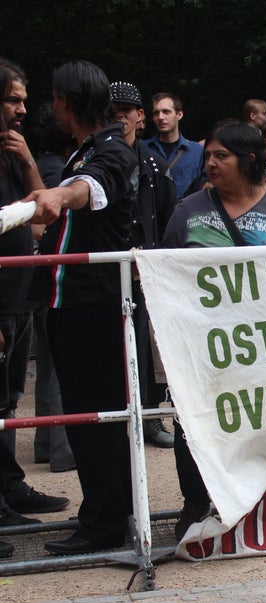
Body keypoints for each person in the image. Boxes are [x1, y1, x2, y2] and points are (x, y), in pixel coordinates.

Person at [161, 122, 266, 538]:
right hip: (203, 347)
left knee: (265, 423)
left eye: (220, 156)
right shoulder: (187, 211)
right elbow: (166, 274)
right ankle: (195, 505)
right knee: (193, 424)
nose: (210, 163)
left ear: (248, 160)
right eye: (208, 155)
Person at [26, 60, 137, 556]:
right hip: (72, 304)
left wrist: (57, 195)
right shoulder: (87, 150)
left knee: (96, 417)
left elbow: (90, 188)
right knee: (84, 415)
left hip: (93, 307)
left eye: (52, 98)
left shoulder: (112, 151)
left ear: (66, 102)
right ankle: (104, 512)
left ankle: (106, 524)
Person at [0, 57, 70, 558]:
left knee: (6, 402)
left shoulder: (9, 149)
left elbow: (39, 207)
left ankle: (10, 490)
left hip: (19, 296)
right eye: (14, 99)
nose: (23, 109)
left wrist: (25, 157)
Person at [109, 81, 177, 449]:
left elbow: (169, 217)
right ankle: (112, 422)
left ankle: (151, 415)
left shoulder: (154, 163)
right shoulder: (92, 159)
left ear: (139, 116)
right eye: (112, 110)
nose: (120, 116)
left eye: (126, 109)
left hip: (146, 273)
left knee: (149, 347)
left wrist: (156, 260)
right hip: (106, 274)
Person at [28, 101, 75, 472]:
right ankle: (63, 450)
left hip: (34, 284)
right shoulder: (61, 174)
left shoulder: (35, 168)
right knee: (61, 366)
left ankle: (45, 443)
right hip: (56, 279)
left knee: (46, 364)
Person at [144, 92, 203, 199]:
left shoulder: (196, 151)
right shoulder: (143, 149)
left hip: (186, 212)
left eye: (166, 112)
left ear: (179, 114)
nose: (160, 117)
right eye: (156, 113)